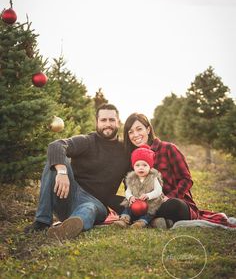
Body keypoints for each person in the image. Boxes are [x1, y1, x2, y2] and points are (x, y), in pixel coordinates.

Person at [25, 103, 129, 240]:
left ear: (118, 122)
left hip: (97, 204)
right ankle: (42, 222)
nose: (107, 124)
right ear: (97, 122)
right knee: (54, 162)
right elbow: (56, 145)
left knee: (89, 208)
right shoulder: (87, 141)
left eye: (111, 120)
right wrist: (62, 172)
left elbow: (132, 183)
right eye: (103, 120)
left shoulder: (125, 152)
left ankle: (69, 227)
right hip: (69, 194)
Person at [123, 113, 236, 229]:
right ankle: (156, 221)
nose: (135, 135)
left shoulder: (168, 149)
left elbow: (186, 180)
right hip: (144, 204)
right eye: (130, 132)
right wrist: (133, 199)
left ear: (148, 129)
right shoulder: (132, 158)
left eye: (139, 129)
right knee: (122, 203)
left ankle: (149, 219)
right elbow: (130, 185)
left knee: (175, 206)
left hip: (170, 202)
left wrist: (168, 197)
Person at [114, 144, 165, 229]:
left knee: (150, 212)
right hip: (135, 203)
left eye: (144, 165)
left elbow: (158, 191)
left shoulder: (153, 177)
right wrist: (130, 197)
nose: (141, 168)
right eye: (137, 165)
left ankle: (141, 223)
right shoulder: (132, 178)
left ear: (150, 167)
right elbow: (128, 191)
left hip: (149, 203)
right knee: (127, 208)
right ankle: (124, 220)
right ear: (133, 167)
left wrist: (149, 196)